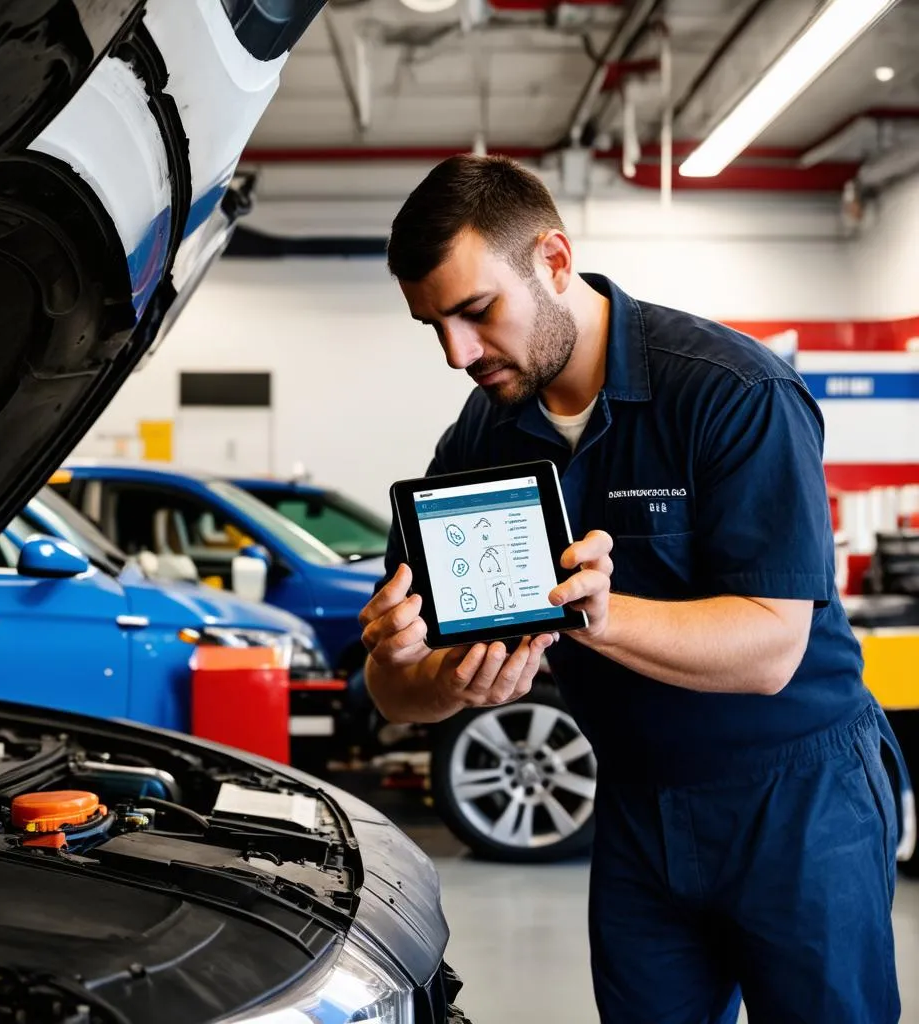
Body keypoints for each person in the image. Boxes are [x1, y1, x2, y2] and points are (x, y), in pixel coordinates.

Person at [359, 154, 900, 1023]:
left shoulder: (733, 392)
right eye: (434, 327)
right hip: (639, 804)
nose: (458, 354)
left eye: (476, 312)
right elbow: (393, 685)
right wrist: (428, 675)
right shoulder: (481, 438)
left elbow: (771, 648)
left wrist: (603, 622)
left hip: (798, 801)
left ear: (555, 261)